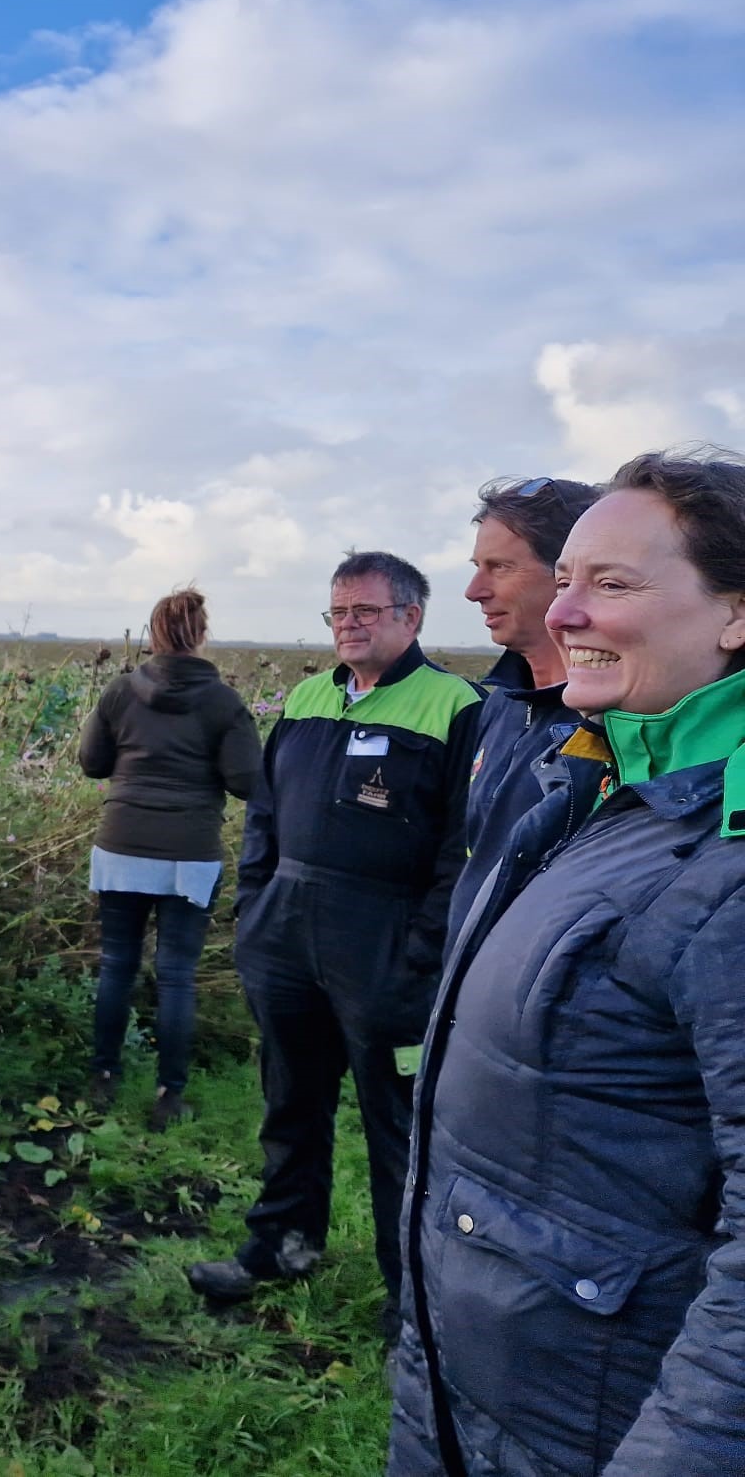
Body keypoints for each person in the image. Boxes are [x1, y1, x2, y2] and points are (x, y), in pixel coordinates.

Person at [392, 448, 745, 1476]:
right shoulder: (600, 788)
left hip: (594, 1422)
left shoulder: (721, 854)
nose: (562, 615)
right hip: (480, 1382)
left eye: (612, 584)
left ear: (733, 613)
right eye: (562, 583)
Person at [186, 553, 481, 1334]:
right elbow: (263, 817)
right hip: (285, 936)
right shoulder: (309, 700)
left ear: (411, 617)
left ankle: (410, 1300)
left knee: (398, 1131)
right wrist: (255, 913)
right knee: (290, 1103)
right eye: (338, 614)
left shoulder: (456, 708)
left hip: (383, 950)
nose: (348, 626)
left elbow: (463, 848)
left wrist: (422, 953)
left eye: (365, 612)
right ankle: (281, 1246)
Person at [77, 588, 260, 1132]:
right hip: (189, 852)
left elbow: (91, 763)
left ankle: (103, 1078)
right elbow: (248, 781)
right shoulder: (224, 703)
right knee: (176, 975)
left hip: (122, 843)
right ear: (202, 634)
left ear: (153, 634)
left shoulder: (119, 693)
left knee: (116, 965)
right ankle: (168, 1096)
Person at [450, 476, 601, 935]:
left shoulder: (614, 718)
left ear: (568, 576)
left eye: (500, 568)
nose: (474, 590)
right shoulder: (500, 705)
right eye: (478, 565)